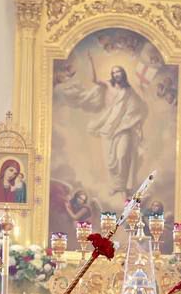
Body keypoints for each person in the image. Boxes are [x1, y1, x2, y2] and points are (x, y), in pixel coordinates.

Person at [57, 58, 148, 199]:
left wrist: (129, 121)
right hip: (108, 126)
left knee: (122, 156)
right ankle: (116, 186)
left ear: (123, 74)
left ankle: (124, 187)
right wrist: (91, 61)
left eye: (118, 71)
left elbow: (138, 108)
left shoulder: (129, 91)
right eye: (114, 72)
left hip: (123, 128)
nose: (116, 74)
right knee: (110, 161)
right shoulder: (108, 85)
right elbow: (94, 80)